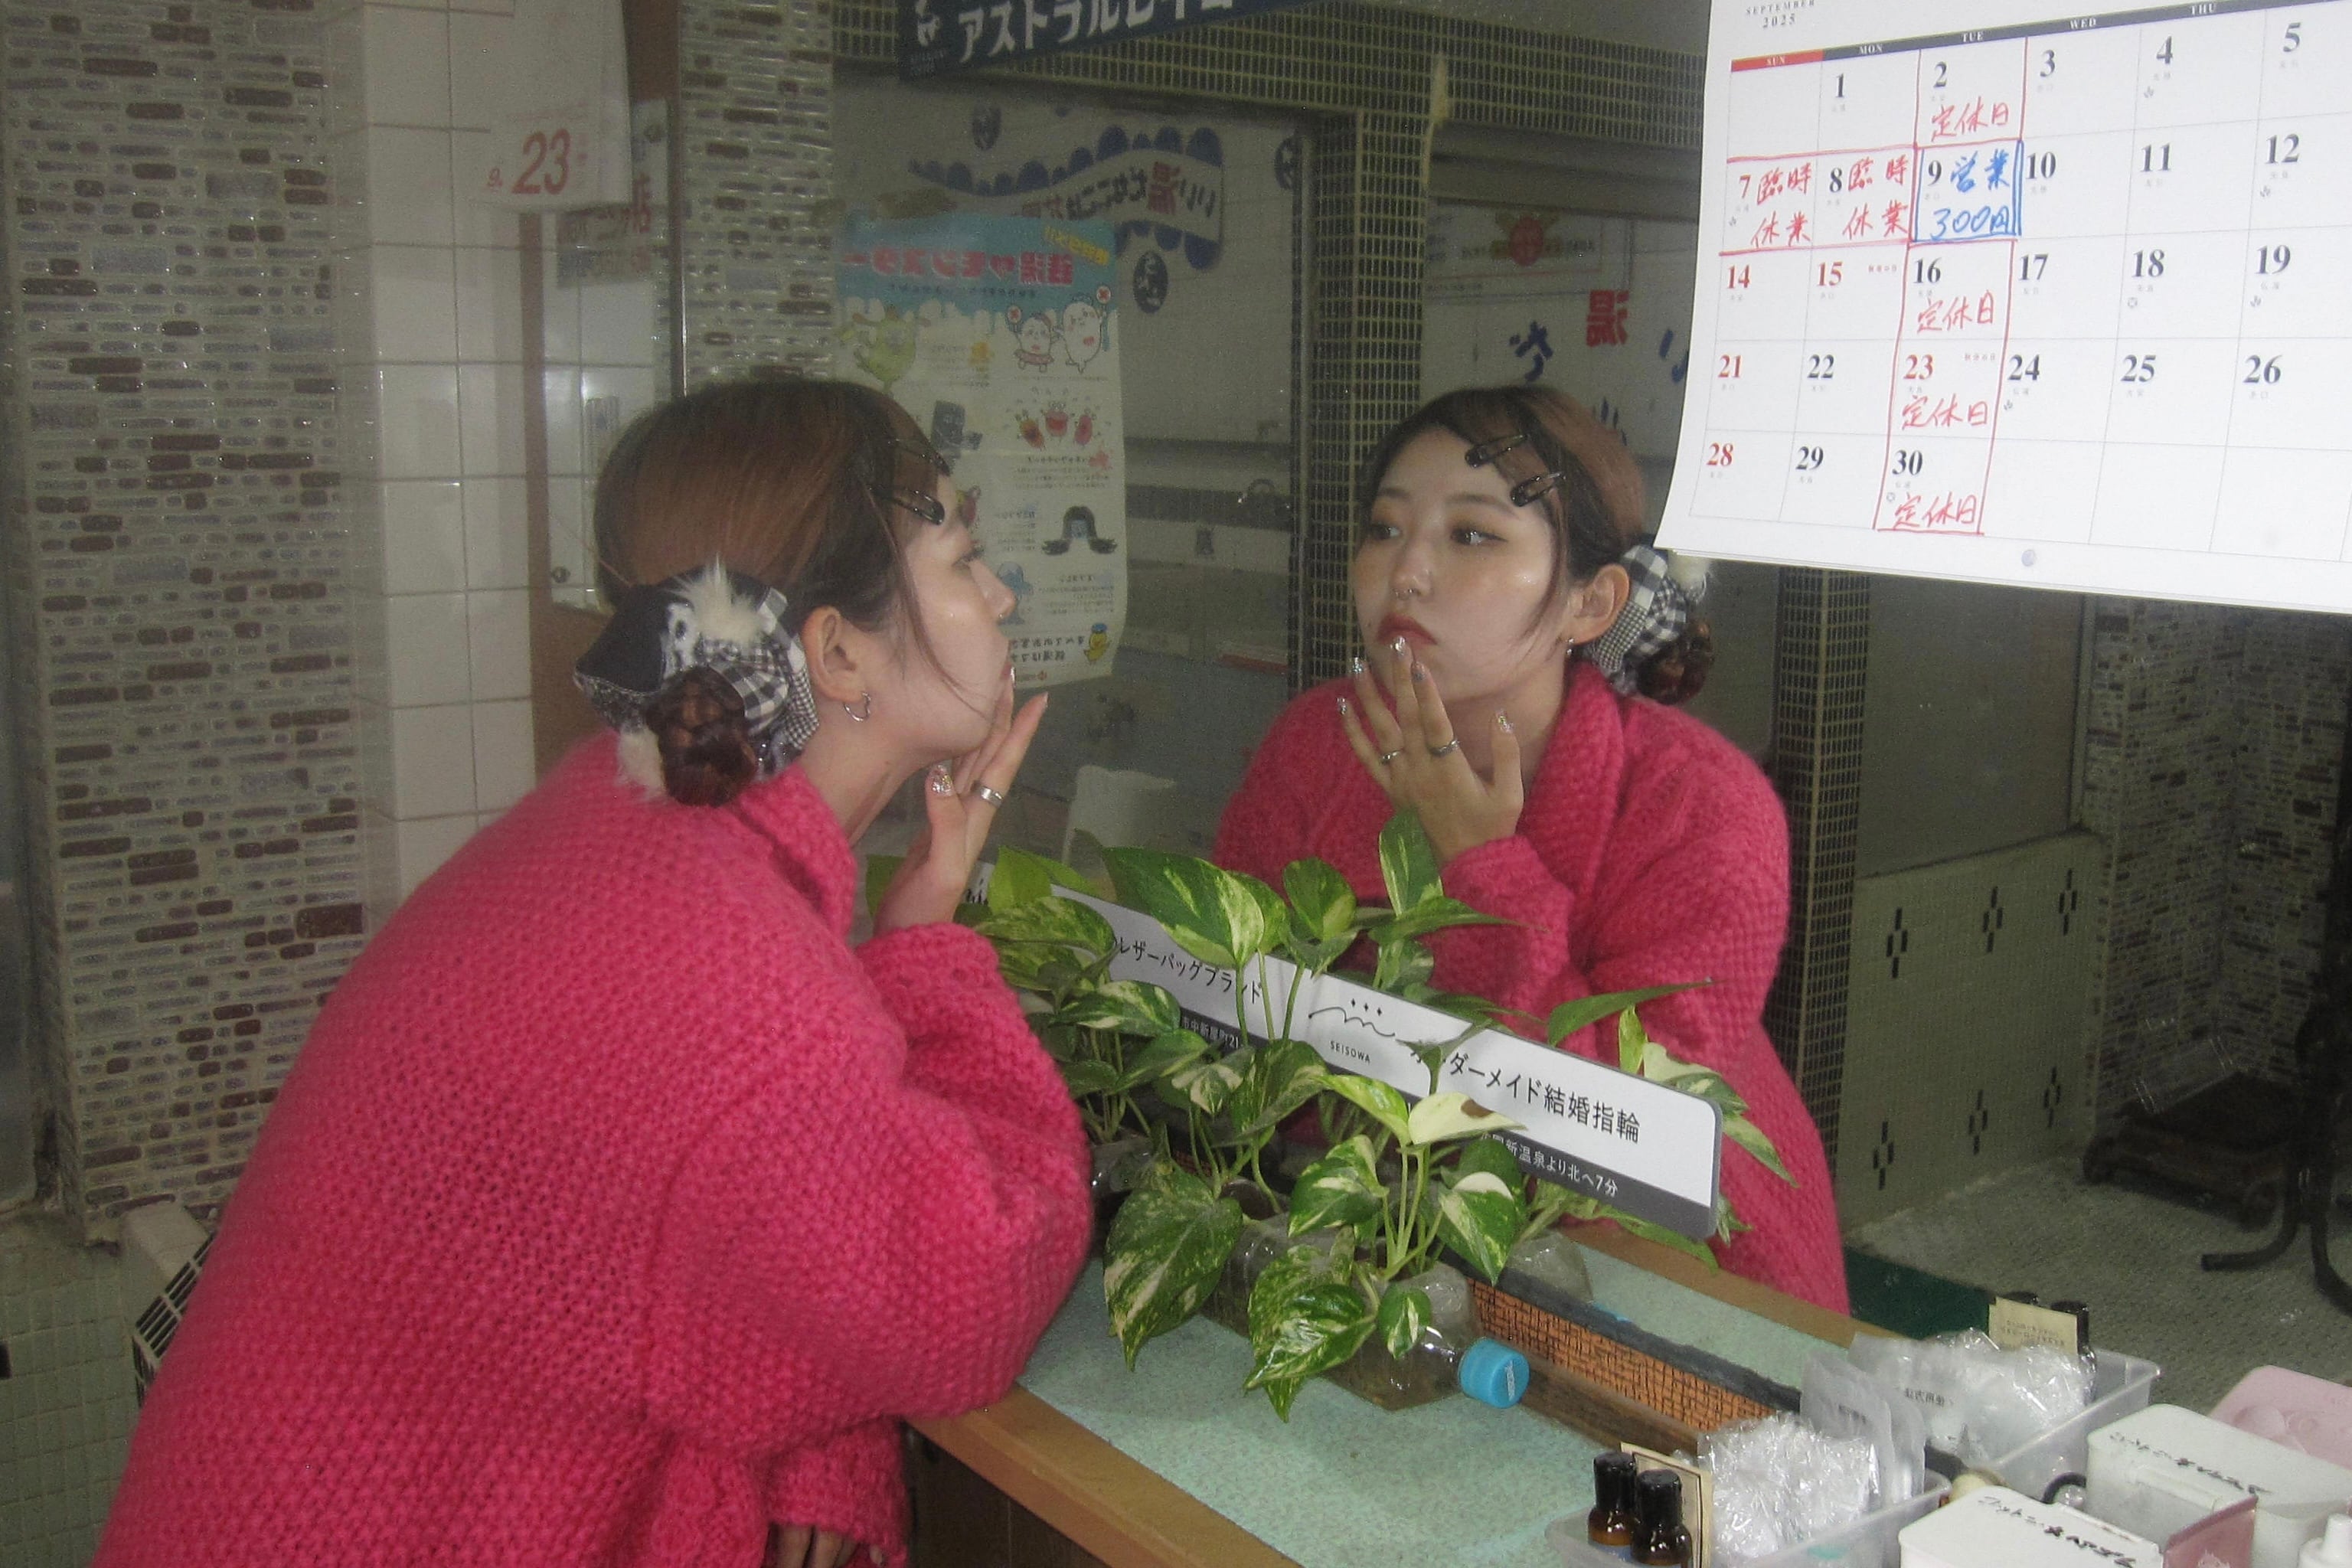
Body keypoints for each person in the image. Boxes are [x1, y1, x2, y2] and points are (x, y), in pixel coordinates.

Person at [94, 379, 1093, 1568]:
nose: (1002, 594)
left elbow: (719, 1262)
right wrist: (929, 955)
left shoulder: (626, 823)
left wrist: (823, 1434)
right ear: (836, 652)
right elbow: (977, 1294)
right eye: (965, 558)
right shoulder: (726, 970)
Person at [1214, 384, 1847, 1313]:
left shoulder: (1703, 807)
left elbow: (1626, 1141)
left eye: (1471, 534)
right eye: (1385, 529)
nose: (1406, 573)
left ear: (1590, 602)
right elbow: (1230, 1011)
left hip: (1667, 1278)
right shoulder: (1316, 743)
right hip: (1367, 1245)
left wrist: (1483, 869)